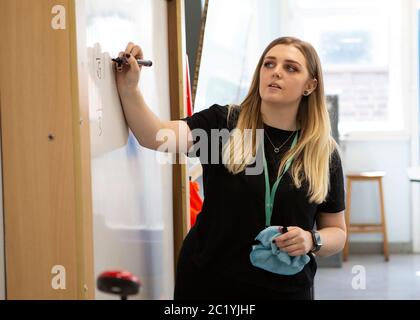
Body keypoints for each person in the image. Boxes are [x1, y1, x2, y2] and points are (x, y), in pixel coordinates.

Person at [115, 36, 346, 300]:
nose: (276, 72)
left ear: (310, 85)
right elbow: (154, 135)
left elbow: (337, 232)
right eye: (269, 64)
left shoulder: (322, 152)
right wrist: (130, 88)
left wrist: (311, 240)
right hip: (211, 284)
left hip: (286, 289)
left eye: (290, 67)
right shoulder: (224, 126)